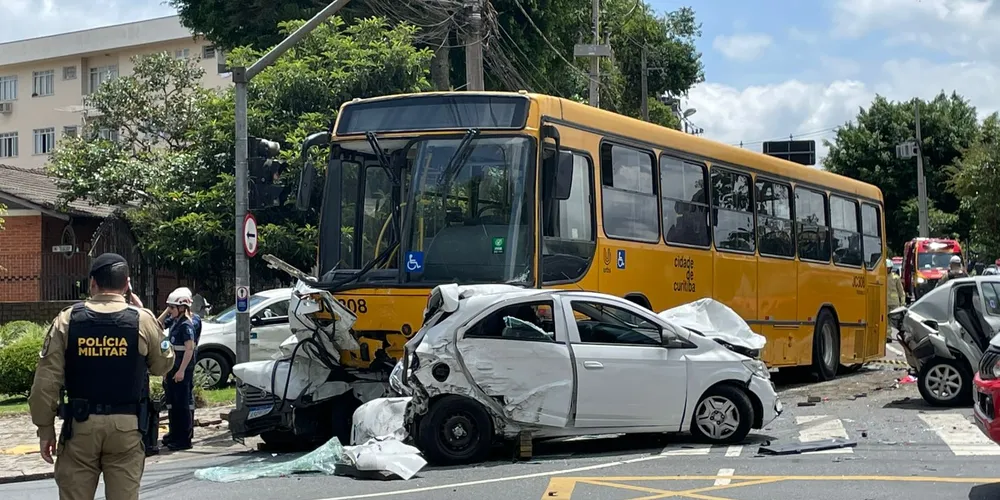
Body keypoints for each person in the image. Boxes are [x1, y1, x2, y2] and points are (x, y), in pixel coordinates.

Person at [28, 253, 174, 500]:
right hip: (126, 427)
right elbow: (163, 365)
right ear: (126, 284)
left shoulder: (67, 320)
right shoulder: (142, 319)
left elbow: (45, 382)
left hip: (80, 427)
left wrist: (45, 428)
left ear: (92, 283)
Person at [157, 287, 198, 451]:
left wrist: (181, 370)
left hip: (182, 370)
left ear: (182, 308)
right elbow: (158, 324)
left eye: (172, 307)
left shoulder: (186, 325)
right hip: (173, 369)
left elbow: (189, 349)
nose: (170, 310)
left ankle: (183, 439)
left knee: (182, 405)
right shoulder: (176, 322)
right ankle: (174, 435)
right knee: (173, 404)